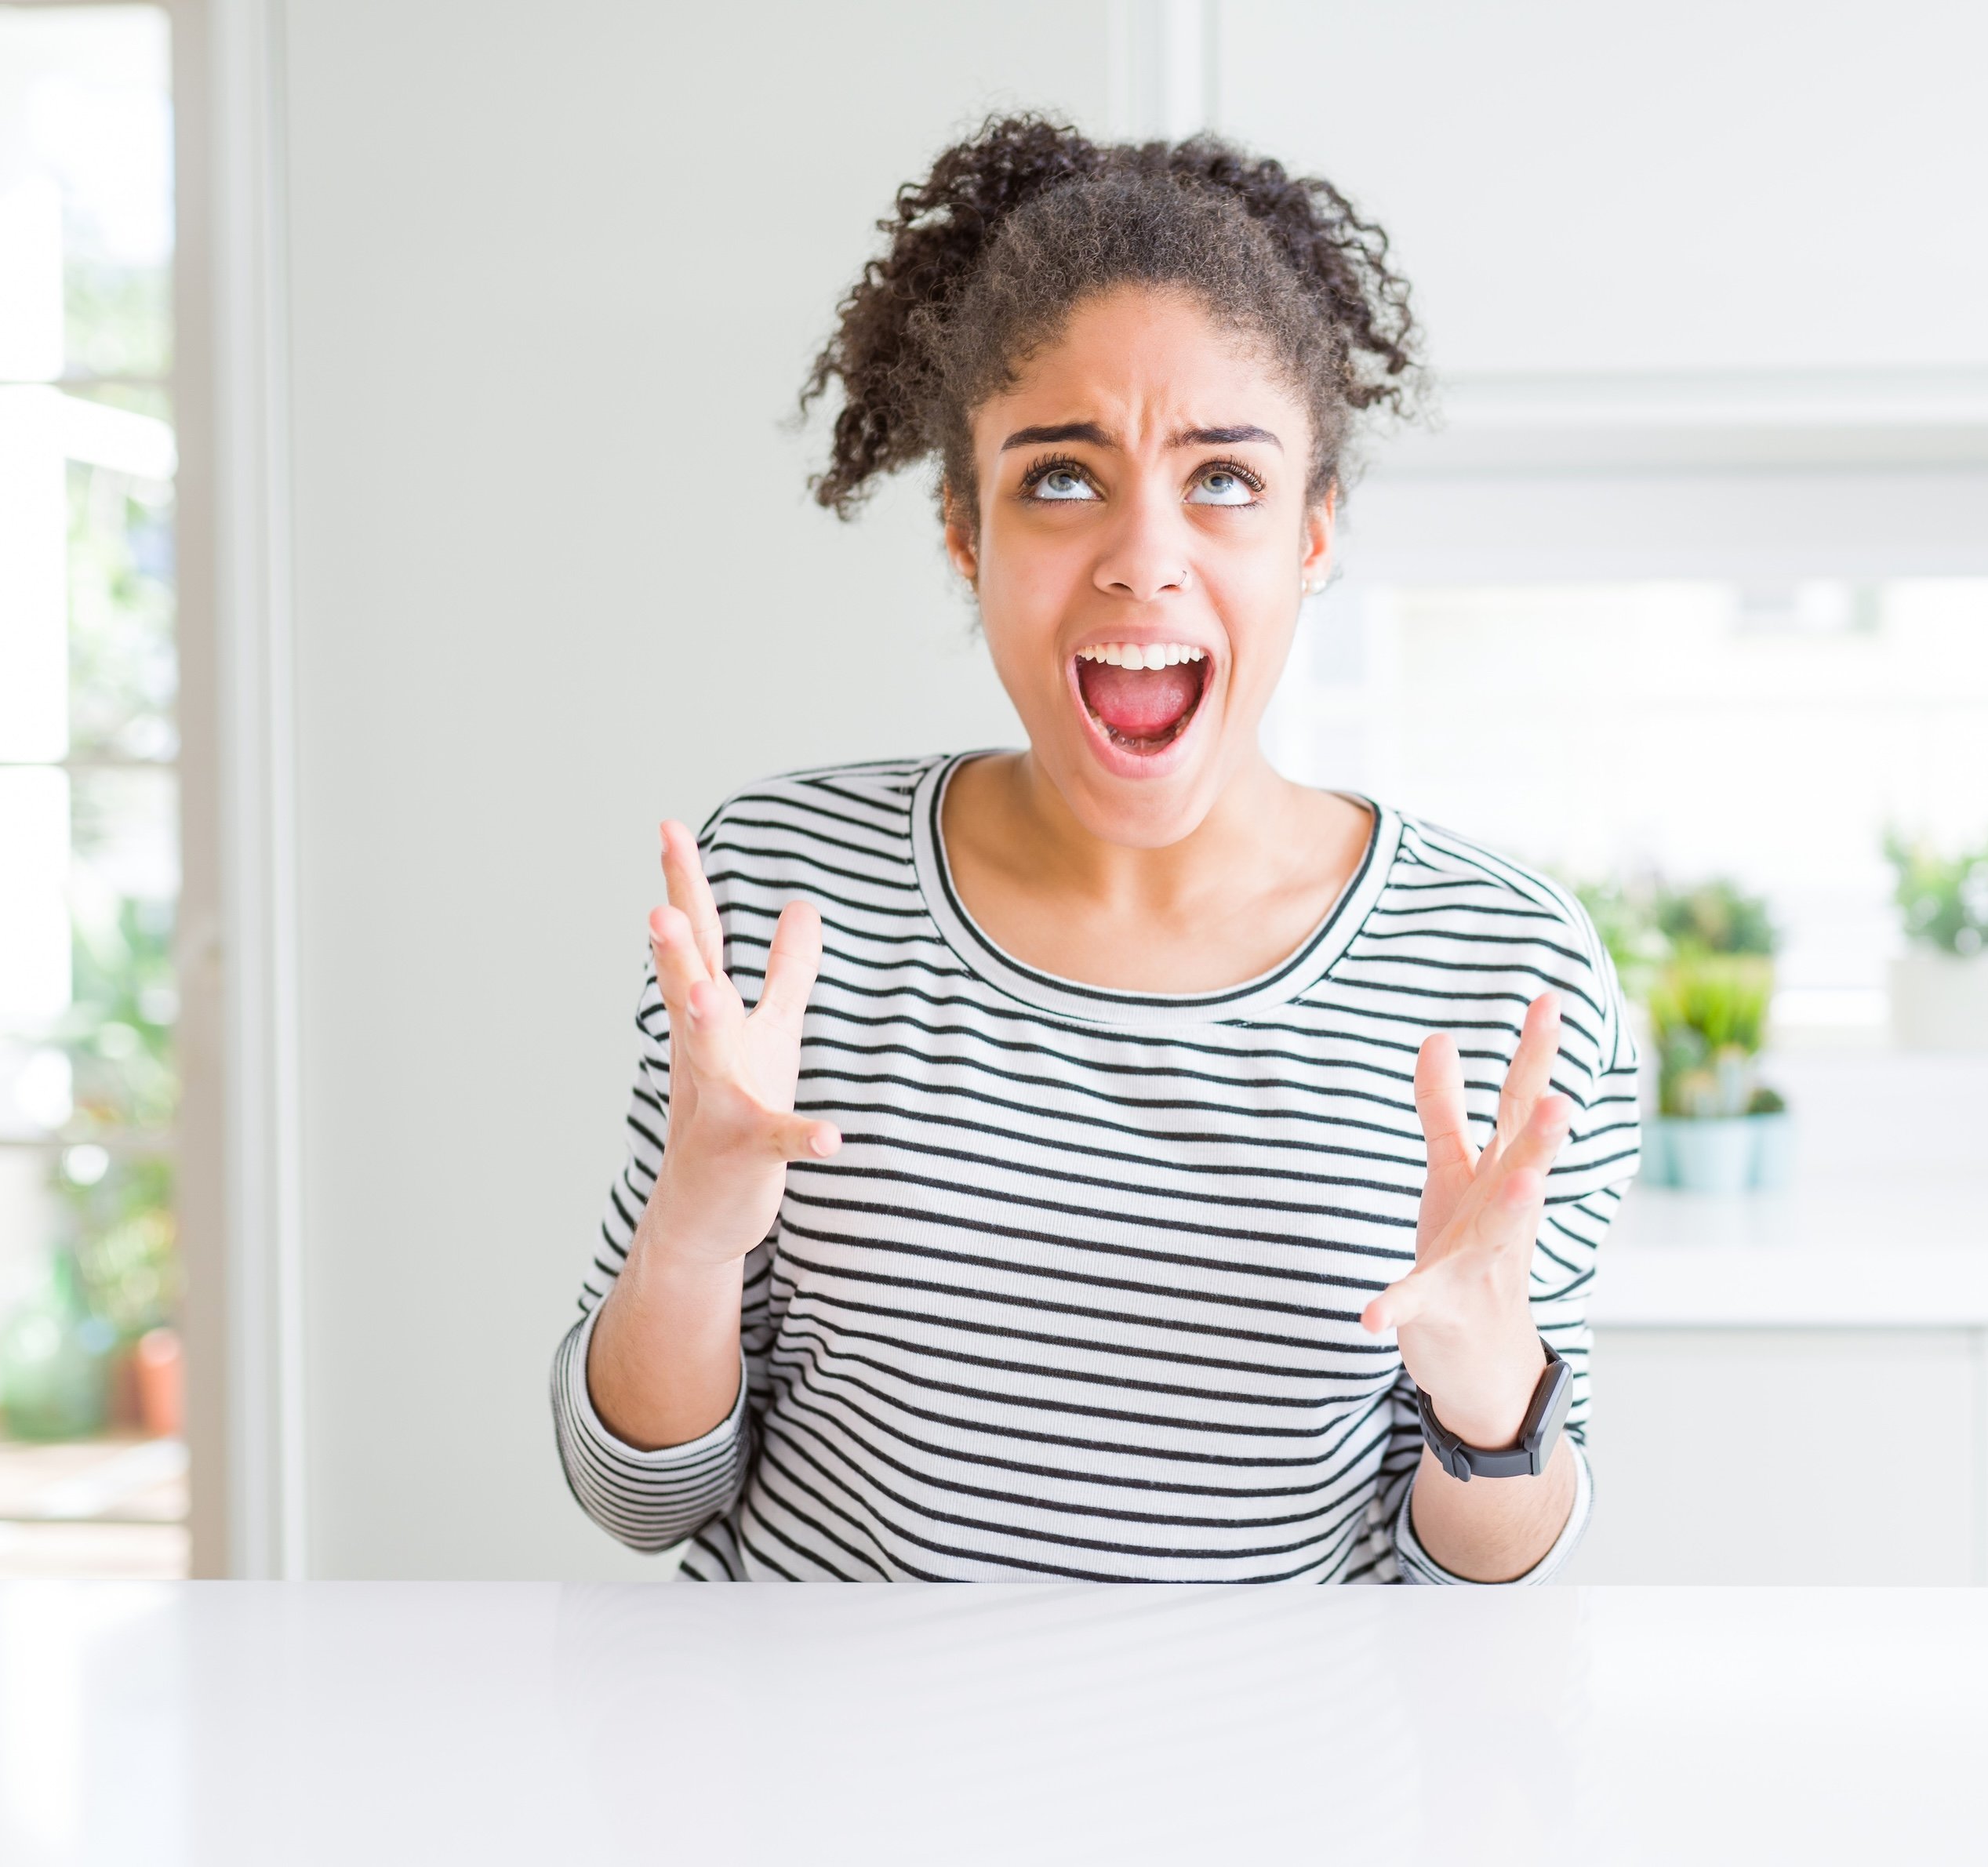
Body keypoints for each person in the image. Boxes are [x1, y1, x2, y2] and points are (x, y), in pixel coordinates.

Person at [551, 117, 1639, 1583]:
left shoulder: (1505, 971)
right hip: (812, 1740)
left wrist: (1489, 1389)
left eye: (1226, 480)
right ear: (965, 532)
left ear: (1314, 534)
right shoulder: (785, 896)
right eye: (1061, 478)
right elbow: (639, 1502)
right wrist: (691, 1234)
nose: (1143, 557)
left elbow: (1480, 1586)